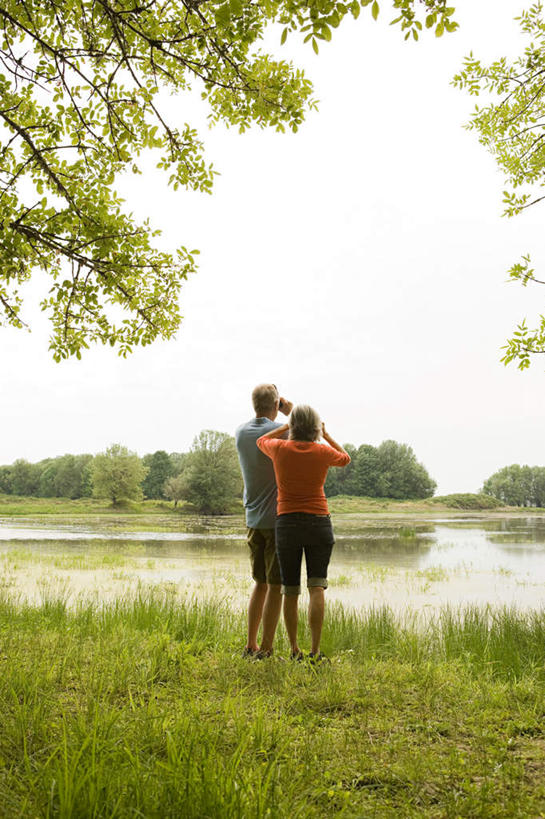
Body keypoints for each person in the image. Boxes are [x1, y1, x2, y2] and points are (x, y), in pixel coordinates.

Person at [256, 405, 350, 662]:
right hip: (319, 522)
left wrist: (285, 426)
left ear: (294, 426)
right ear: (316, 427)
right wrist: (326, 435)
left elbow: (261, 440)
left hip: (287, 524)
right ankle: (315, 651)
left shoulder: (280, 448)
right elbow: (345, 458)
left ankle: (295, 649)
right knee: (316, 587)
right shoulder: (322, 451)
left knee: (290, 589)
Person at [235, 383, 293, 658]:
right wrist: (289, 410)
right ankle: (267, 648)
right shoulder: (279, 432)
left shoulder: (241, 432)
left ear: (253, 404)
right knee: (276, 585)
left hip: (252, 521)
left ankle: (251, 645)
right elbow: (308, 430)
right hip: (277, 521)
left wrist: (275, 409)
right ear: (276, 403)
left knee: (260, 583)